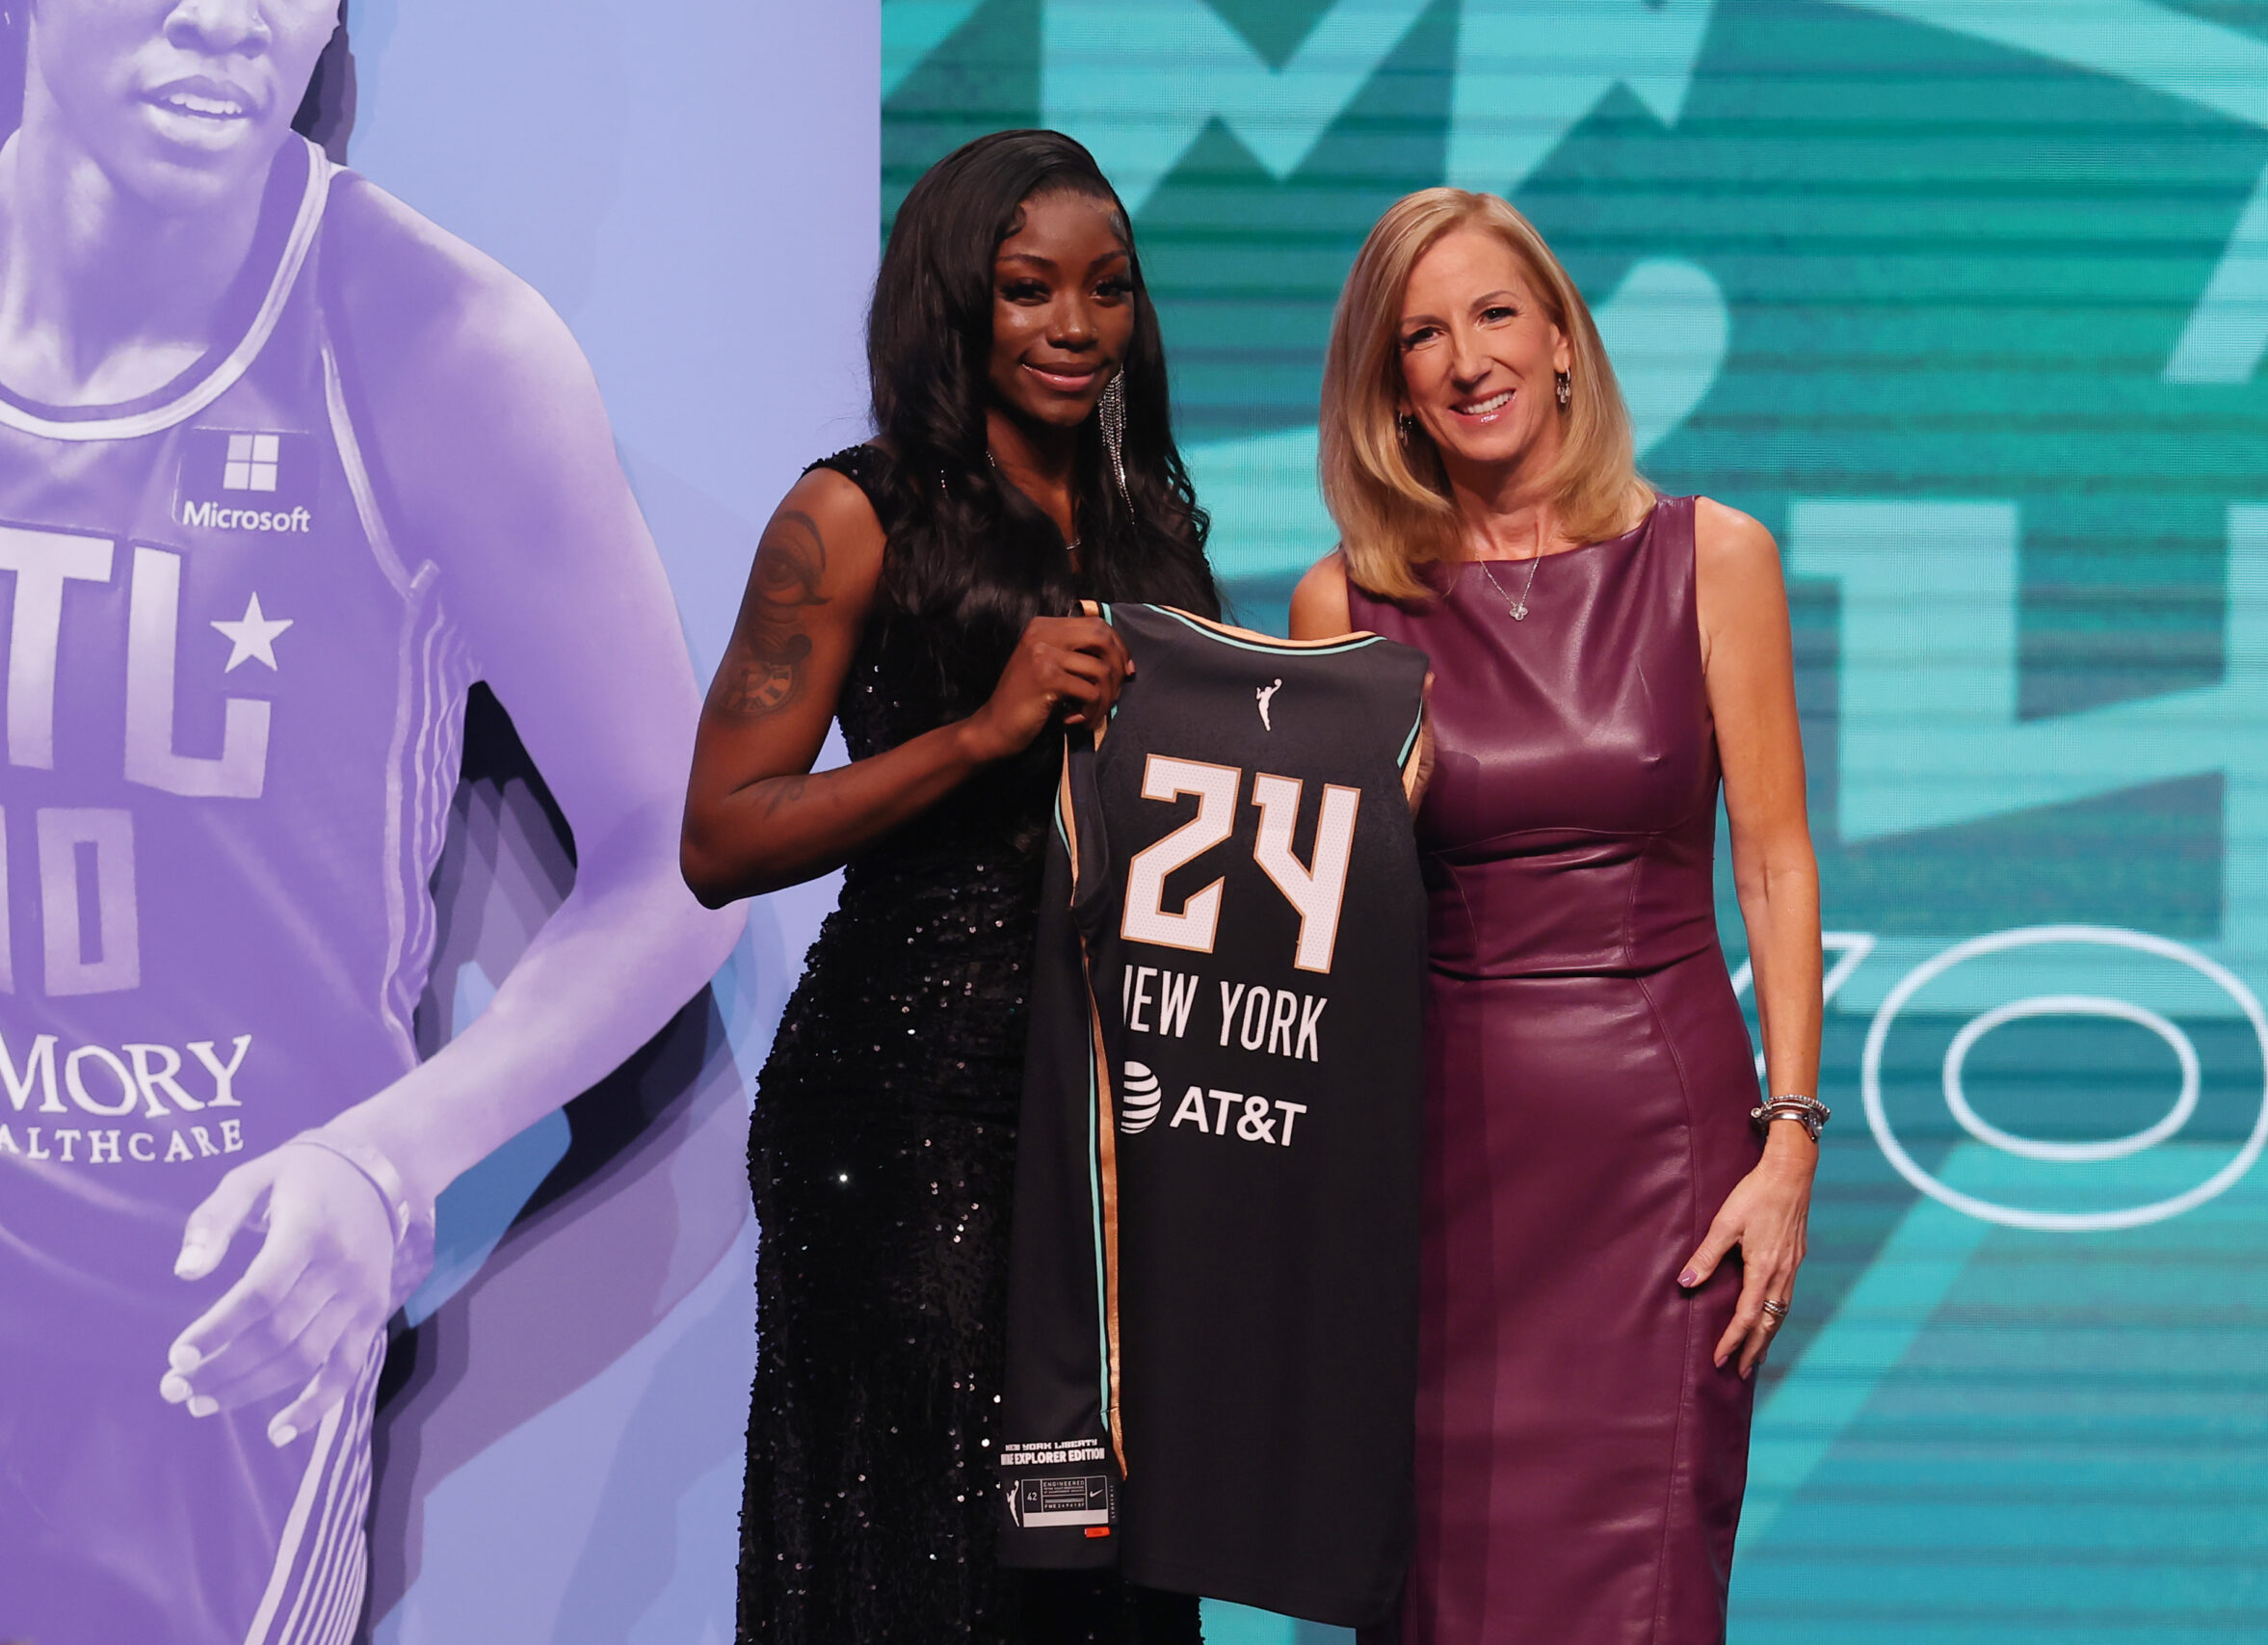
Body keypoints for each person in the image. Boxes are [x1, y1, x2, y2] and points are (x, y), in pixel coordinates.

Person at [0, 3, 745, 1644]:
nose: (225, 13)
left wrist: (384, 1156)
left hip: (212, 1347)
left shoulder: (434, 344)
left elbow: (691, 854)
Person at [681, 129, 1220, 1644]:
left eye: (1108, 292)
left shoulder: (1151, 526)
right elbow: (719, 836)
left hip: (1115, 1114)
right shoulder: (848, 513)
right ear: (952, 301)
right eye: (1030, 289)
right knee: (926, 1553)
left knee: (1104, 1553)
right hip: (909, 1099)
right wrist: (977, 735)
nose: (1076, 327)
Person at [1290, 188, 1827, 1642]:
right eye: (1421, 337)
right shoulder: (1343, 603)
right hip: (1439, 1173)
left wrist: (1790, 1145)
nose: (1466, 359)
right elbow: (1325, 923)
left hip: (1666, 1166)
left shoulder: (1715, 556)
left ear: (1567, 342)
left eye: (1494, 314)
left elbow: (1774, 864)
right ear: (1389, 389)